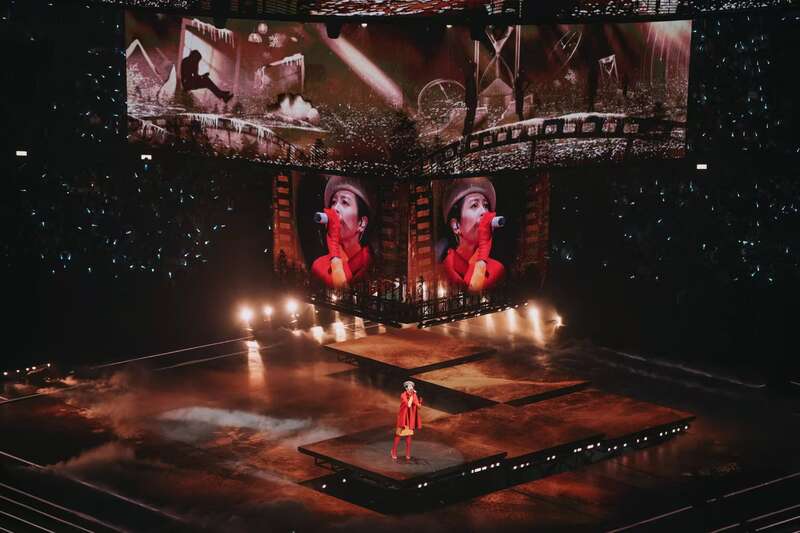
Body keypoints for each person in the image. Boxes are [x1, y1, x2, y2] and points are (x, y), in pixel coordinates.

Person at [439, 177, 505, 293]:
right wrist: (484, 248)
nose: (484, 212)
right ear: (456, 226)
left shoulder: (496, 269)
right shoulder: (445, 269)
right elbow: (471, 294)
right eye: (474, 205)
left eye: (486, 206)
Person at [310, 175, 372, 289]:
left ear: (361, 223)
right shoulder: (319, 266)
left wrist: (334, 244)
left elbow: (343, 293)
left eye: (345, 202)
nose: (335, 209)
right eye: (333, 202)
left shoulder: (369, 264)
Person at [391, 380, 422, 460]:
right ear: (406, 388)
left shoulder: (414, 395)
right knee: (399, 434)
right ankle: (393, 451)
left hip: (410, 417)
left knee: (408, 435)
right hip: (403, 417)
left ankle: (408, 453)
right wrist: (412, 396)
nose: (411, 388)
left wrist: (419, 403)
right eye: (409, 387)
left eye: (412, 386)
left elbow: (417, 405)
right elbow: (408, 404)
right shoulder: (403, 395)